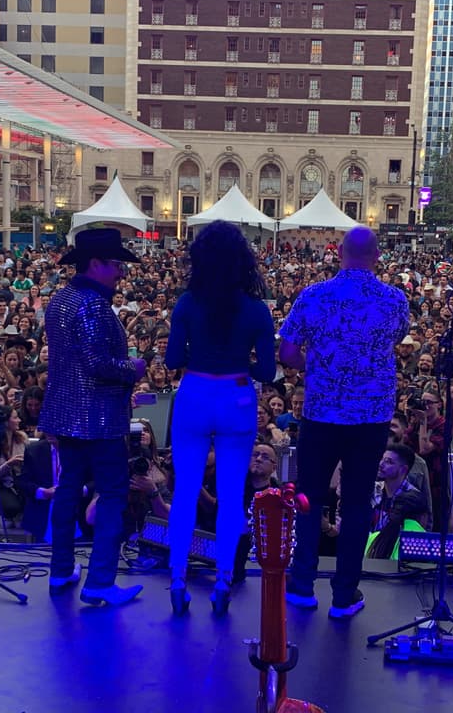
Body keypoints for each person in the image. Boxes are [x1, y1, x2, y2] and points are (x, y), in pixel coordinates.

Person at [279, 226, 409, 619]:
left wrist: (317, 369)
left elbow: (286, 351)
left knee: (309, 497)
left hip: (321, 412)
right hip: (370, 416)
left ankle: (301, 586)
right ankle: (345, 595)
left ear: (338, 254)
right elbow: (395, 340)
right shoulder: (394, 300)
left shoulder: (314, 296)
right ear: (378, 256)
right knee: (355, 503)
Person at [162, 221, 276, 615]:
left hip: (194, 393)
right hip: (236, 395)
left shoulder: (187, 304)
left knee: (186, 490)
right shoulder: (257, 310)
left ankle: (177, 578)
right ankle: (225, 578)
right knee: (230, 495)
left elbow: (172, 360)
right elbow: (267, 372)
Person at [39, 228, 146, 607]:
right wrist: (133, 368)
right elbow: (98, 363)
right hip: (98, 420)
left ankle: (60, 569)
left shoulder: (61, 299)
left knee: (68, 489)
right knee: (114, 494)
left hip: (65, 416)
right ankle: (100, 580)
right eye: (116, 265)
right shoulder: (93, 305)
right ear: (96, 263)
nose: (121, 273)